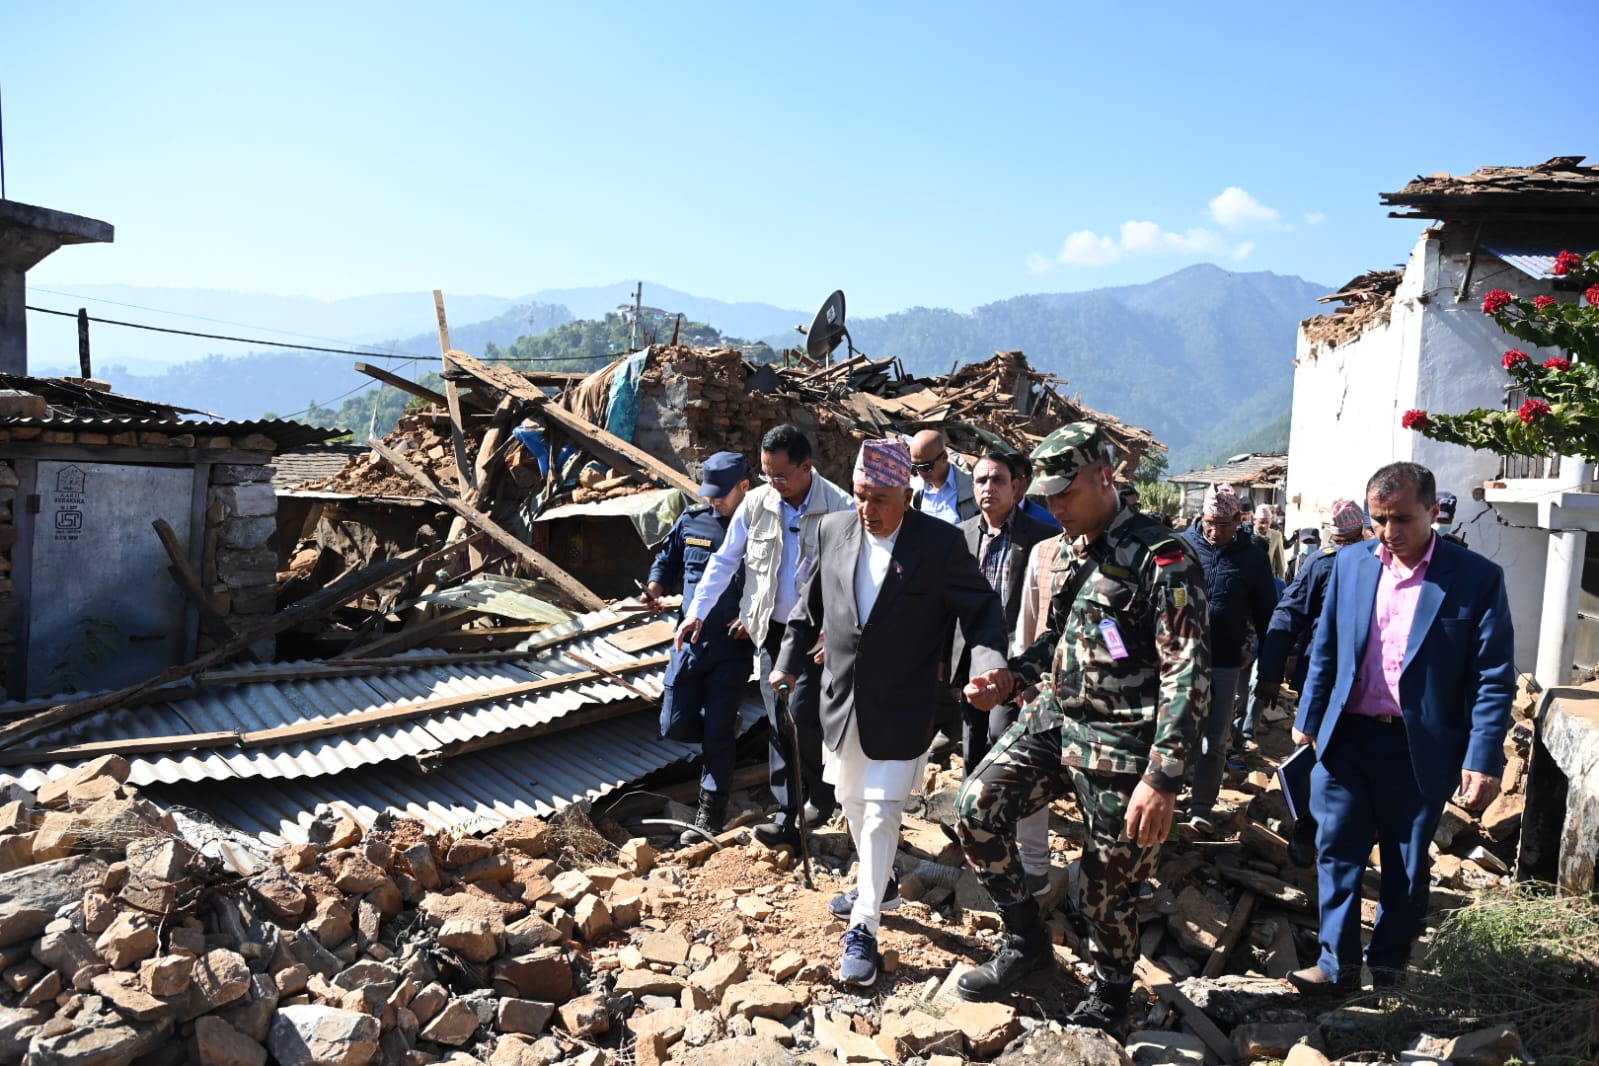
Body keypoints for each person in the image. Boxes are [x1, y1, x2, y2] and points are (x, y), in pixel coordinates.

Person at [957, 422, 1210, 1031]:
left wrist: (1164, 777)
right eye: (1046, 497)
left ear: (1105, 477)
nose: (1055, 507)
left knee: (1103, 892)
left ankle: (1113, 992)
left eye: (1064, 494)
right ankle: (1026, 943)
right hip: (1056, 721)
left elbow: (1187, 671)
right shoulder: (1077, 546)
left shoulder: (1163, 558)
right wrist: (1011, 678)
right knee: (975, 808)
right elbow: (1062, 639)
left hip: (1124, 746)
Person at [772, 438, 1009, 986]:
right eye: (860, 496)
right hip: (844, 701)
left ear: (907, 492)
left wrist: (989, 664)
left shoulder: (940, 544)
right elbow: (807, 609)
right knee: (853, 803)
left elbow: (982, 613)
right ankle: (873, 881)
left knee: (881, 812)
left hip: (904, 704)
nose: (867, 509)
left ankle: (865, 926)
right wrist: (787, 662)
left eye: (880, 498)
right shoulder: (832, 531)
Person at [1289, 463, 1515, 993]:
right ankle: (1335, 967)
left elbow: (1493, 675)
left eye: (1402, 520)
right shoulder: (1350, 564)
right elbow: (1327, 649)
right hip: (1346, 737)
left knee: (1407, 865)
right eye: (1379, 520)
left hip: (1420, 747)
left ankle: (1388, 970)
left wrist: (1483, 757)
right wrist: (1308, 719)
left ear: (1434, 512)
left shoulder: (1475, 578)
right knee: (1336, 848)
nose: (1389, 533)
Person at [678, 424, 853, 848]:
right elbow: (724, 560)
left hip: (816, 633)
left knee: (806, 716)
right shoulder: (757, 504)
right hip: (772, 631)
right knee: (779, 721)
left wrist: (837, 627)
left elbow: (852, 576)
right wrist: (696, 612)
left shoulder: (840, 507)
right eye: (766, 475)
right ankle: (788, 814)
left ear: (807, 467)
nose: (772, 484)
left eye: (780, 476)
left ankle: (823, 793)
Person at [952, 451, 1059, 895]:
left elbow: (1045, 615)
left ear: (1019, 486)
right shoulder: (961, 536)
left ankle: (1023, 852)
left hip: (1018, 667)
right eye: (979, 480)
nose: (987, 489)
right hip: (970, 660)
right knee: (973, 744)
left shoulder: (1042, 538)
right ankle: (979, 840)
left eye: (997, 479)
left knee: (1007, 745)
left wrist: (1025, 675)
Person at [645, 452, 755, 845]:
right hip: (688, 642)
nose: (715, 502)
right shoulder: (693, 520)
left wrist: (753, 616)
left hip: (732, 646)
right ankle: (722, 730)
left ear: (744, 486)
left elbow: (777, 580)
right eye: (710, 494)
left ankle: (712, 811)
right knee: (672, 723)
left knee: (716, 733)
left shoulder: (759, 526)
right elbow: (667, 559)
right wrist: (655, 587)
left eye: (721, 495)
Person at [1254, 498, 1367, 866]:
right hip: (1322, 677)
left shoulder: (1382, 565)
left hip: (1367, 682)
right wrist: (1271, 670)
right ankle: (1308, 828)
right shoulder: (1323, 564)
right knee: (1319, 753)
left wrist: (1271, 672)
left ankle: (1337, 829)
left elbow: (1287, 616)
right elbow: (1289, 615)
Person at [909, 429, 978, 524]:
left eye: (926, 466)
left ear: (945, 457)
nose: (921, 472)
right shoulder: (912, 490)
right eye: (915, 466)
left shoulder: (974, 488)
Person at [1009, 451, 1064, 532]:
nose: (1010, 482)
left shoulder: (1048, 523)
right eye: (1000, 478)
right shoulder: (985, 513)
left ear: (1028, 482)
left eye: (1016, 477)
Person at [1256, 504, 1287, 581]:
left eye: (1267, 523)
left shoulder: (1276, 536)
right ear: (1255, 521)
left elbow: (1280, 562)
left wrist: (1281, 581)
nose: (1264, 526)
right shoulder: (1248, 534)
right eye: (1262, 522)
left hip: (1268, 579)